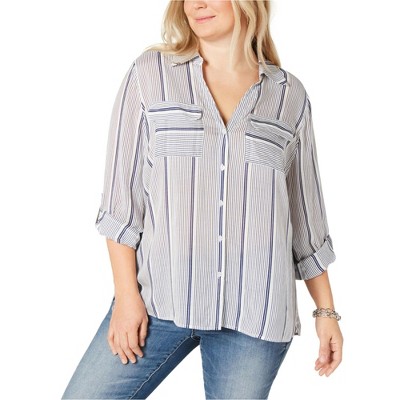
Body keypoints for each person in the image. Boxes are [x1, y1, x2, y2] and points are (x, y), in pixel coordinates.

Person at [62, 1, 343, 399]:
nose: (196, 4)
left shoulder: (288, 96)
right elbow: (122, 203)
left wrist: (326, 312)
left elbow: (305, 215)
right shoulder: (150, 74)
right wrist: (126, 298)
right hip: (159, 302)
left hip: (255, 313)